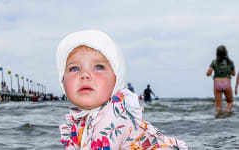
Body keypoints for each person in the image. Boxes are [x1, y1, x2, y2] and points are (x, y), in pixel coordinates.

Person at [57, 30, 188, 149]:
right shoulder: (85, 118)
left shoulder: (113, 117)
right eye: (74, 68)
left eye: (98, 67)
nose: (84, 75)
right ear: (63, 79)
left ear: (117, 78)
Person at [207, 45, 235, 113]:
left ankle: (218, 120)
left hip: (217, 84)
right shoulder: (230, 62)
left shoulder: (214, 62)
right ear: (226, 52)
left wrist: (211, 73)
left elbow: (208, 73)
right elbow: (233, 74)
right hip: (226, 83)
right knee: (230, 102)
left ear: (217, 53)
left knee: (218, 106)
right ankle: (226, 114)